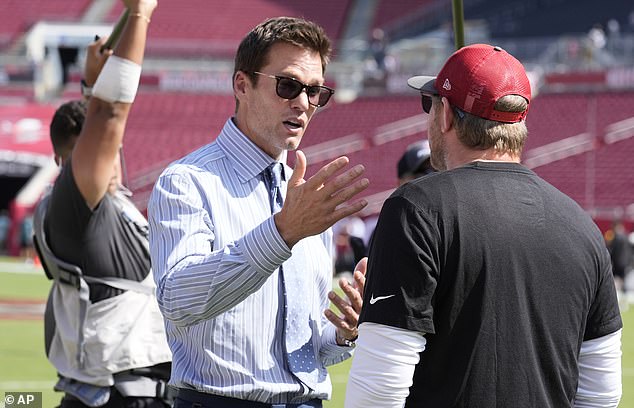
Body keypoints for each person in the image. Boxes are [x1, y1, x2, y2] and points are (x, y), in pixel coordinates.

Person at [346, 44, 623, 407]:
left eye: (430, 104)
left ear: (445, 114)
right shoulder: (581, 225)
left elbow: (379, 389)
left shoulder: (416, 208)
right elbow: (601, 393)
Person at [148, 16, 369, 407]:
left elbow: (305, 348)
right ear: (242, 85)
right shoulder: (187, 181)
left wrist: (343, 332)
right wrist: (281, 233)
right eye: (287, 85)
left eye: (315, 91)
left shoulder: (303, 197)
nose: (303, 102)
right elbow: (178, 302)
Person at [33, 1, 173, 407]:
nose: (110, 156)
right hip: (116, 397)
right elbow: (109, 116)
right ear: (64, 163)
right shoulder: (73, 205)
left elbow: (101, 121)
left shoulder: (107, 205)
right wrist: (139, 16)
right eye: (96, 150)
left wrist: (92, 87)